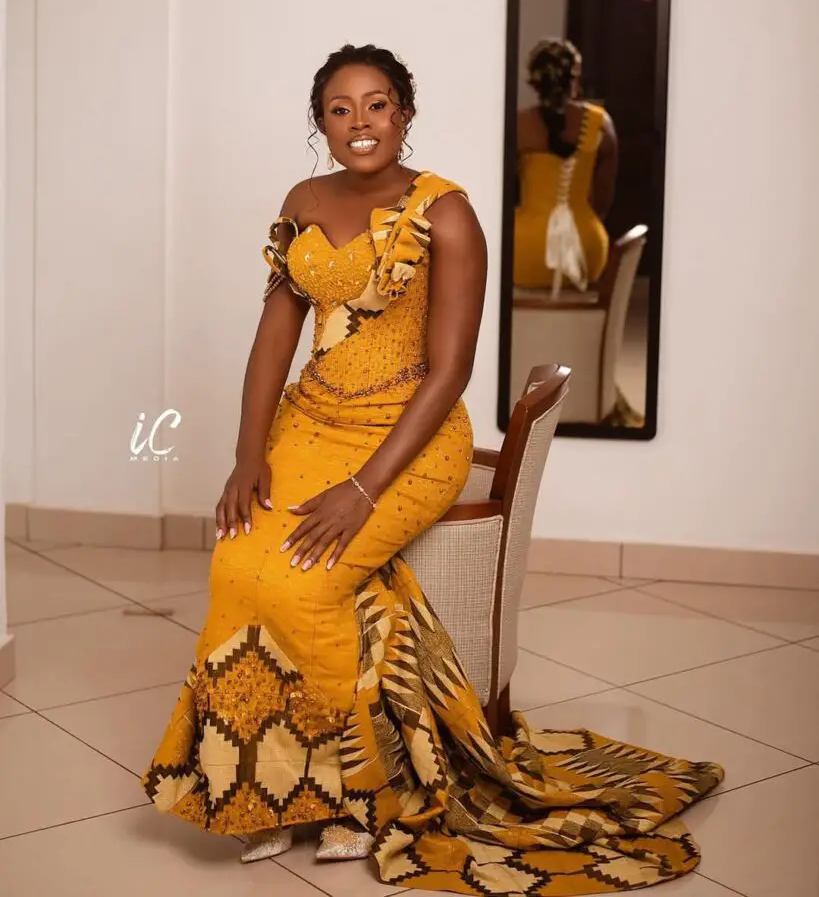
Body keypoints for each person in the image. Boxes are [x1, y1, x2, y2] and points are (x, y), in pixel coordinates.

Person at [142, 44, 722, 894]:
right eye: (340, 110)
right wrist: (245, 454)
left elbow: (449, 372)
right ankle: (259, 793)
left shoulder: (445, 212)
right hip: (310, 422)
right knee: (237, 563)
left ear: (405, 113)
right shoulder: (302, 201)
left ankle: (349, 797)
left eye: (377, 105)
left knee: (306, 581)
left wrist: (362, 489)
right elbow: (274, 335)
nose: (360, 123)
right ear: (320, 124)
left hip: (406, 439)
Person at [514, 39, 618, 294]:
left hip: (524, 250)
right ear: (574, 78)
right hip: (585, 251)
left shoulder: (518, 124)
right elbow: (604, 200)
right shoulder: (600, 123)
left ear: (536, 82)